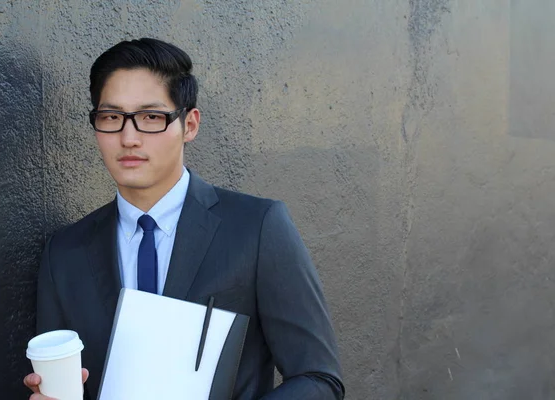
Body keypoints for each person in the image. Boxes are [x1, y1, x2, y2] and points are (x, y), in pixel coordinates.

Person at [24, 38, 344, 400]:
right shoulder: (64, 254)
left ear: (189, 125)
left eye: (151, 118)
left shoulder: (256, 228)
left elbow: (319, 378)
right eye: (111, 117)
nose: (129, 137)